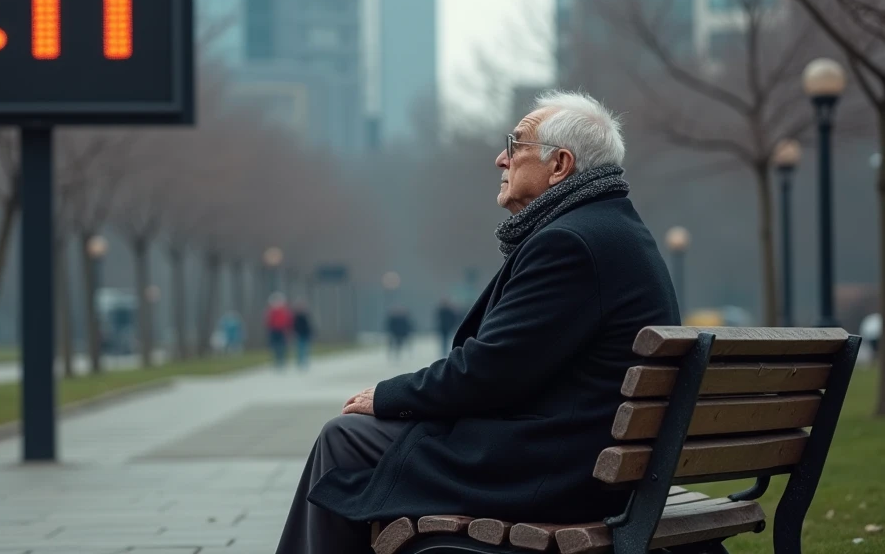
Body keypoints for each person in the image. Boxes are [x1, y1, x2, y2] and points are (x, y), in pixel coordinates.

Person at [276, 91, 680, 554]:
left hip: (556, 470)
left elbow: (489, 372)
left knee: (344, 437)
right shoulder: (610, 229)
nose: (499, 159)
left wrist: (390, 395)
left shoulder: (570, 244)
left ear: (560, 165)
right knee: (358, 440)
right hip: (593, 458)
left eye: (516, 144)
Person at [265, 292, 294, 369]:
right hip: (274, 330)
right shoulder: (272, 312)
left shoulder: (284, 311)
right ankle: (277, 360)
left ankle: (281, 360)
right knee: (275, 346)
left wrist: (288, 329)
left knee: (282, 346)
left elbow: (288, 321)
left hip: (282, 330)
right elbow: (269, 321)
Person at [292, 301, 314, 370]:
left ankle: (305, 362)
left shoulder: (306, 315)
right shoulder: (296, 316)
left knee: (306, 349)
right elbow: (294, 326)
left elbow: (309, 326)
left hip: (305, 334)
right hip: (299, 334)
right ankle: (300, 362)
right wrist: (295, 333)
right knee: (300, 349)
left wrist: (311, 333)